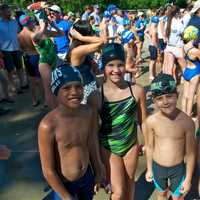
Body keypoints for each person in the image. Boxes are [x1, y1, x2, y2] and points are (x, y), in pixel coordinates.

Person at [38, 64, 105, 200]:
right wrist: (66, 197)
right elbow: (48, 171)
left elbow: (92, 142)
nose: (74, 92)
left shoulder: (88, 112)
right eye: (66, 88)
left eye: (78, 86)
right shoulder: (48, 125)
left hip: (87, 177)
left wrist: (98, 169)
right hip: (63, 185)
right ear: (56, 91)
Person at [89, 43, 147, 200]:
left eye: (120, 65)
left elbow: (144, 123)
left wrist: (149, 145)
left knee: (129, 184)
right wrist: (97, 162)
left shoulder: (136, 90)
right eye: (110, 65)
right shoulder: (96, 96)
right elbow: (93, 132)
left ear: (125, 65)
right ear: (104, 67)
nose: (116, 70)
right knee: (117, 192)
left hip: (130, 145)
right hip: (108, 148)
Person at [145, 73, 196, 200]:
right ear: (154, 101)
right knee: (161, 194)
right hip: (158, 167)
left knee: (178, 197)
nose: (165, 102)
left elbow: (190, 154)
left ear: (177, 95)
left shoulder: (187, 122)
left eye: (169, 96)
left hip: (177, 169)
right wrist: (149, 169)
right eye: (160, 98)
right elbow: (150, 146)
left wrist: (188, 179)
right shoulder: (151, 121)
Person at [68, 20, 105, 104]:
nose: (92, 35)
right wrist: (81, 37)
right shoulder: (78, 50)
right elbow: (102, 42)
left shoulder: (75, 45)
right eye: (90, 33)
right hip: (86, 89)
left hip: (87, 85)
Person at [18, 14, 42, 107]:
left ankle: (34, 100)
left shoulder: (19, 35)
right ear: (28, 22)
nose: (33, 23)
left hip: (26, 57)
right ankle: (45, 101)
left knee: (31, 80)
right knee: (39, 80)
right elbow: (39, 48)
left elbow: (20, 49)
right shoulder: (32, 35)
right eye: (31, 21)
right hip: (34, 57)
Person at [182, 26, 200, 116]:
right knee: (191, 96)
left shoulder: (184, 47)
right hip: (195, 72)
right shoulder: (196, 51)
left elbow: (183, 58)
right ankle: (188, 116)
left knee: (185, 95)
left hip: (187, 71)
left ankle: (183, 113)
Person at [145, 15, 159, 81]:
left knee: (153, 61)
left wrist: (148, 37)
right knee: (152, 61)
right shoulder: (154, 30)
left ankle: (153, 73)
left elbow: (145, 32)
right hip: (153, 46)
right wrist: (158, 48)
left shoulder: (150, 27)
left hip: (151, 46)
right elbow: (154, 41)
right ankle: (151, 75)